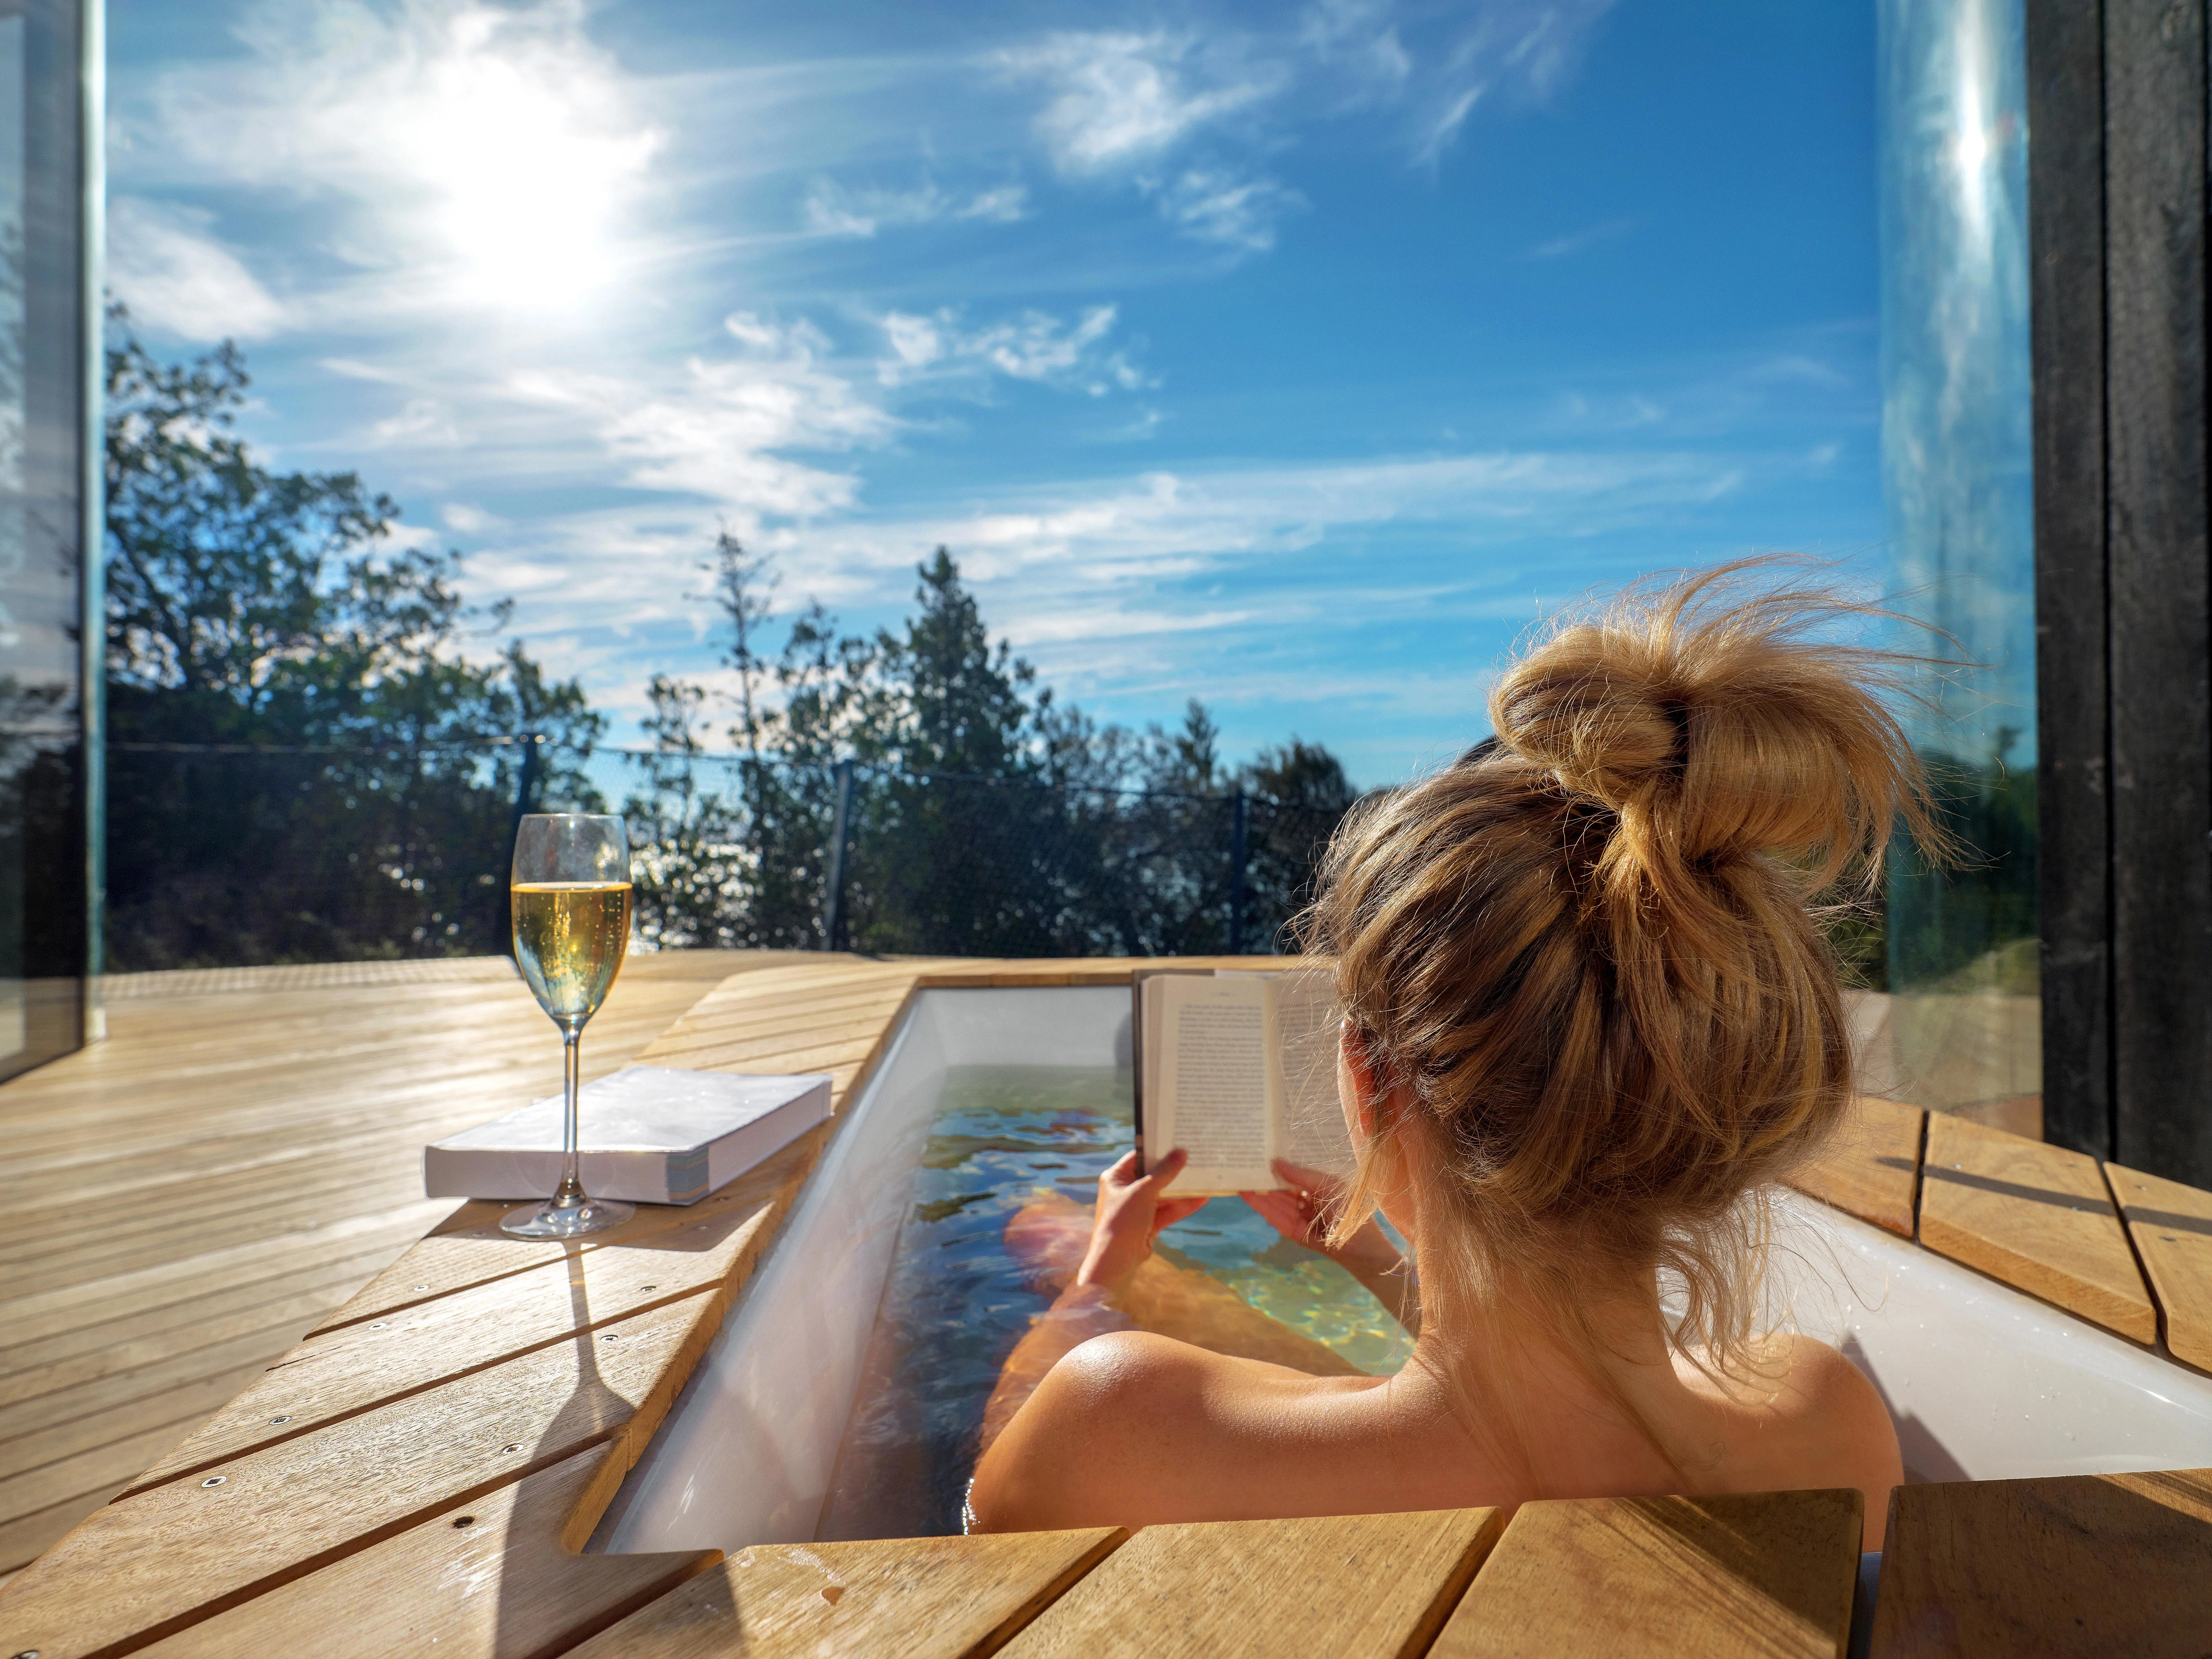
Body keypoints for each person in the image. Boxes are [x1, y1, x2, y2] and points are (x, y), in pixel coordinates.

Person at [966, 563, 1937, 1551]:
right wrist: (1383, 1255)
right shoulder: (1830, 1428)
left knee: (1033, 1234)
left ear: (1368, 1081)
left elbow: (986, 1527)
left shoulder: (1123, 1427)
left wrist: (1090, 1289)